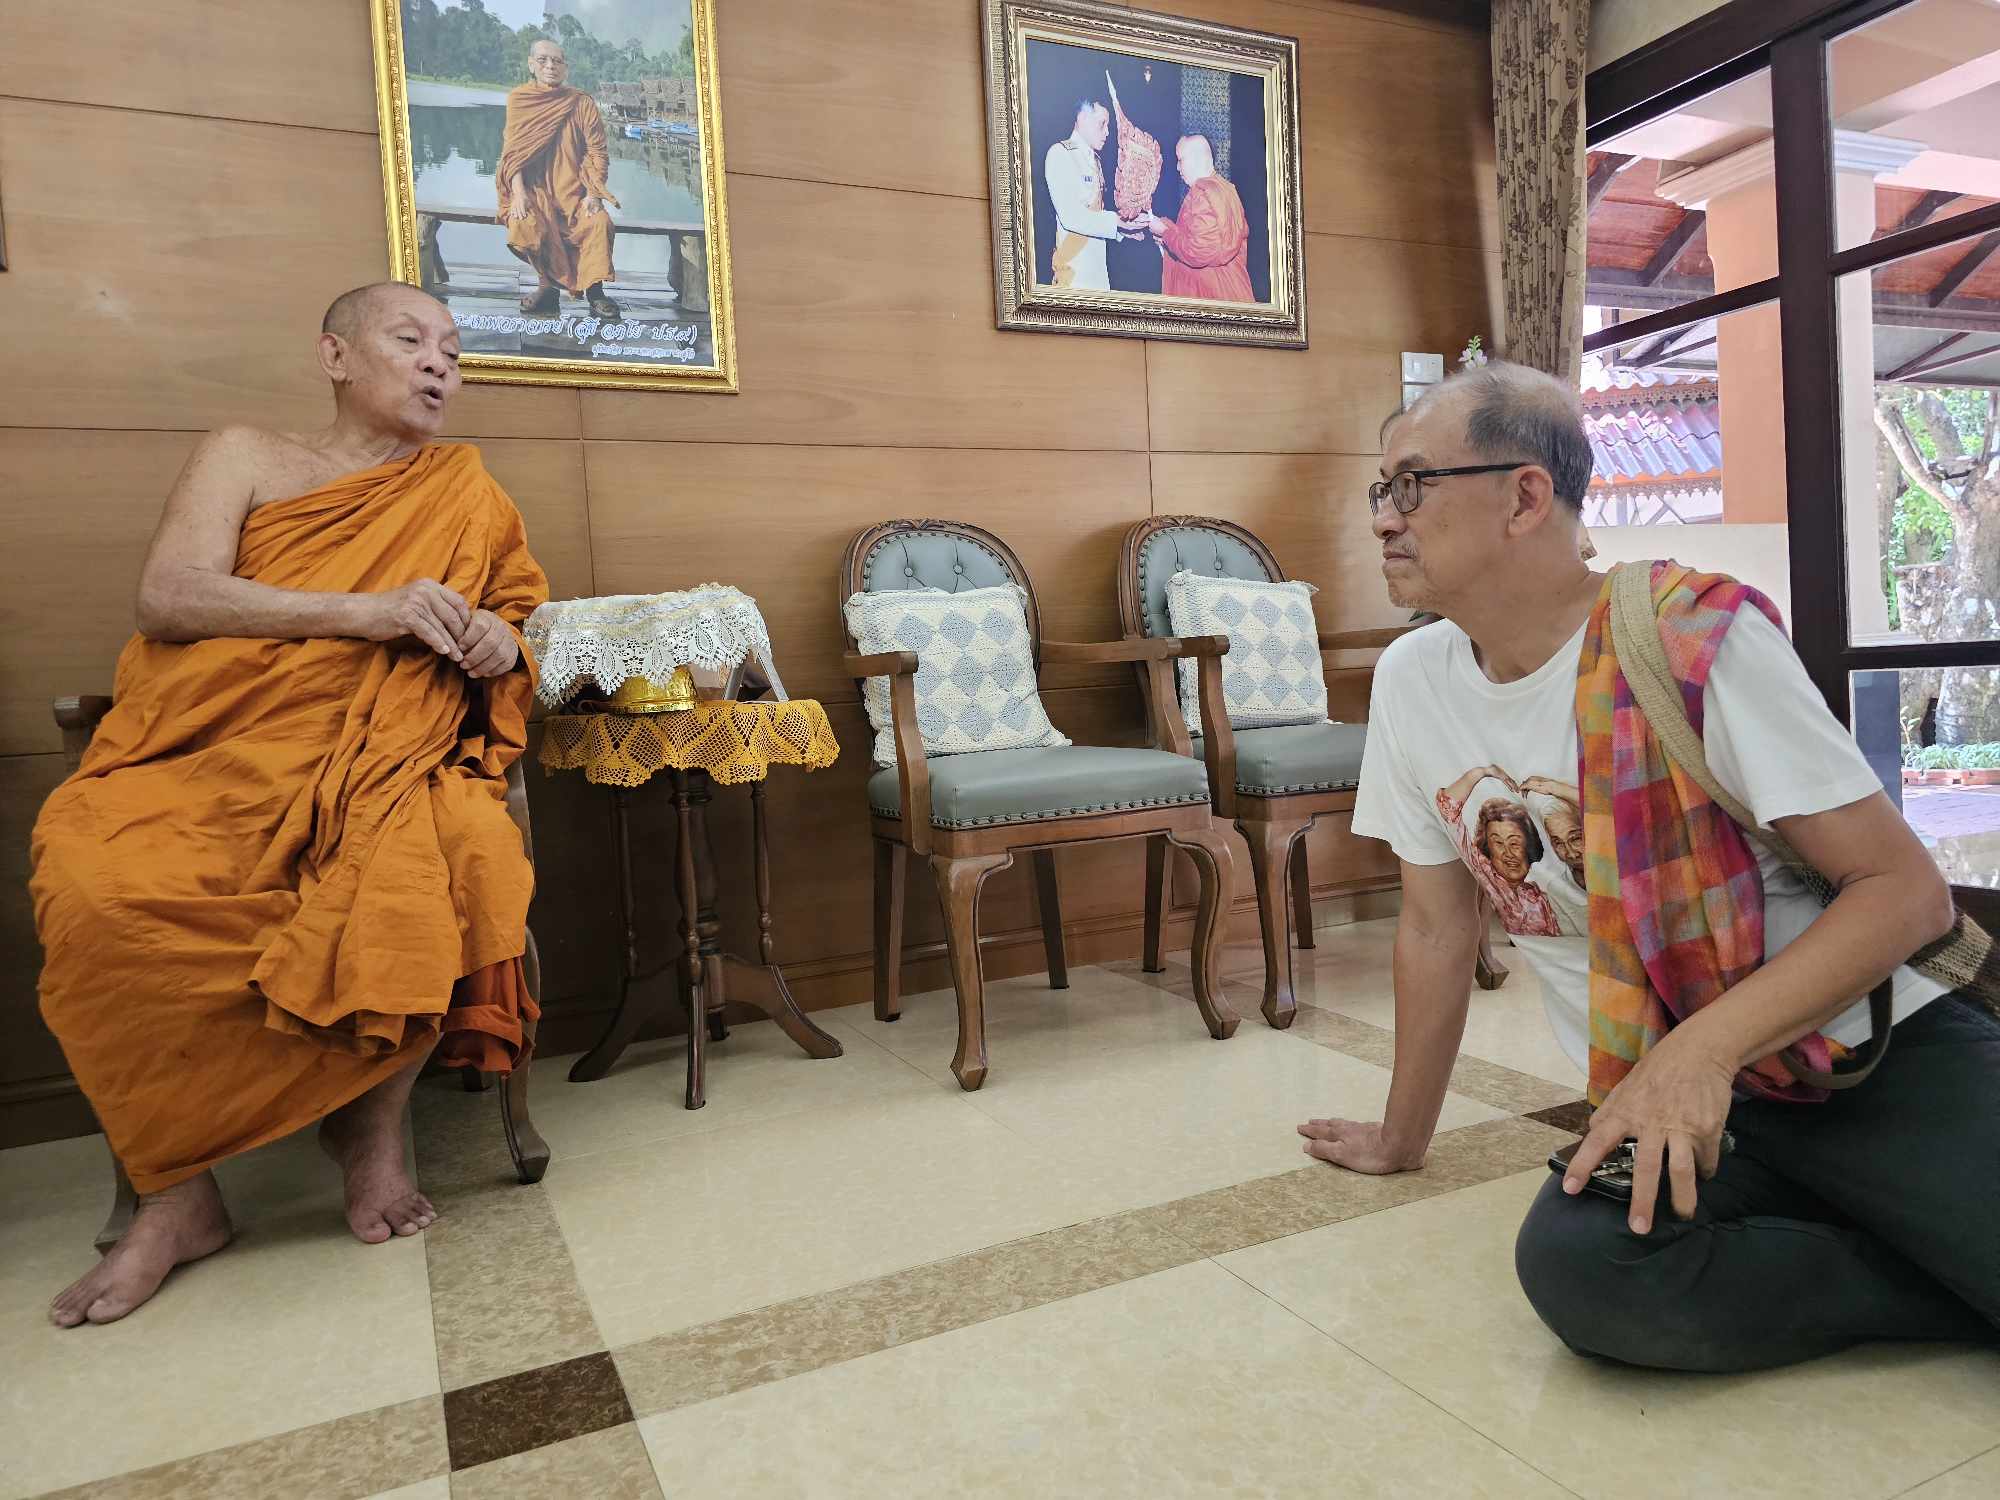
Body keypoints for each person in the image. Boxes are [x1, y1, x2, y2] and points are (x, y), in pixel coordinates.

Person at [1298, 360, 1999, 1372]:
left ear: (1523, 497)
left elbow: (1903, 893)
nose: (1381, 518)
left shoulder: (1688, 638)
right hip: (1682, 1103)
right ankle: (1933, 1276)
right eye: (1381, 489)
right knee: (1582, 1267)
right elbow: (1435, 926)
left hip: (1862, 1058)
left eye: (1410, 484)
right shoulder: (1413, 682)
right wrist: (1401, 1137)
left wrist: (1697, 1053)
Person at [33, 282, 548, 1328]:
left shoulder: (466, 490)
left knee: (458, 848)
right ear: (334, 356)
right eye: (411, 339)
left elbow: (513, 614)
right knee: (94, 880)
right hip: (212, 748)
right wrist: (367, 612)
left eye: (453, 350)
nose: (439, 363)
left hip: (385, 754)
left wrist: (501, 640)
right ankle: (177, 1195)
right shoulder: (246, 455)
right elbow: (168, 596)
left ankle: (370, 1129)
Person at [498, 39, 620, 318]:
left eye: (557, 61)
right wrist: (518, 193)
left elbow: (598, 151)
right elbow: (511, 155)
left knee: (599, 222)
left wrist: (594, 194)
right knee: (523, 223)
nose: (550, 66)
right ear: (531, 64)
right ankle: (547, 288)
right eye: (543, 60)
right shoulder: (520, 99)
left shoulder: (581, 102)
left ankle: (595, 291)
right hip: (535, 192)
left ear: (566, 68)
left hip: (577, 193)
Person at [1044, 100, 1146, 291]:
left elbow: (1095, 216)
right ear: (1082, 117)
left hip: (1097, 274)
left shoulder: (1094, 160)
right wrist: (1116, 221)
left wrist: (1123, 230)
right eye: (1102, 124)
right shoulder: (1060, 154)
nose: (1107, 132)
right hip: (1073, 274)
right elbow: (1071, 217)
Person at [1142, 135, 1255, 302]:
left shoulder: (1204, 193)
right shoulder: (1226, 189)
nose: (1177, 168)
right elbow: (1208, 240)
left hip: (1213, 295)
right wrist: (1167, 235)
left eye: (1180, 160)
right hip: (1231, 288)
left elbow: (1198, 251)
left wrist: (1165, 232)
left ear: (1196, 159)